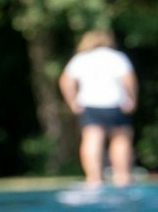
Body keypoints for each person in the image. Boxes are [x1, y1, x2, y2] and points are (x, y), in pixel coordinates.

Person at [58, 29, 137, 186]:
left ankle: (93, 178)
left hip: (90, 103)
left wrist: (72, 101)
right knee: (120, 138)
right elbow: (129, 80)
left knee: (92, 139)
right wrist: (132, 98)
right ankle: (122, 176)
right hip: (115, 102)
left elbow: (65, 81)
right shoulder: (117, 57)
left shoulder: (80, 59)